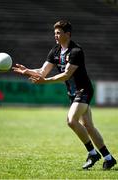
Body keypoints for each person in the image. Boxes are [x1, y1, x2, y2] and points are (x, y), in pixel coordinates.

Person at [13, 20, 117, 170]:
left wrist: (45, 81)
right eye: (54, 33)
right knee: (88, 126)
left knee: (71, 120)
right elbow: (43, 71)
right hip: (72, 93)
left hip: (84, 90)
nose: (55, 35)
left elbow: (66, 75)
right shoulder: (55, 51)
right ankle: (108, 158)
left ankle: (92, 153)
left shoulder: (76, 51)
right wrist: (27, 70)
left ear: (67, 34)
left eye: (58, 33)